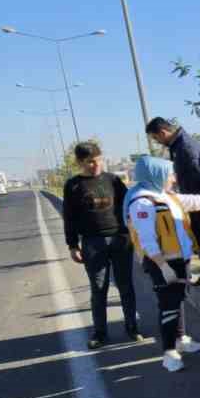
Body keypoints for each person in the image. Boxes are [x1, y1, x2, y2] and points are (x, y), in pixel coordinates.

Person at [123, 155, 200, 373]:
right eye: (169, 174)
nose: (173, 177)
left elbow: (196, 201)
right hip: (162, 263)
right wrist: (163, 267)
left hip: (179, 260)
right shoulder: (142, 202)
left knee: (178, 301)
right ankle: (169, 353)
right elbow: (147, 240)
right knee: (168, 307)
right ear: (155, 175)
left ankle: (181, 339)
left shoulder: (166, 196)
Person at [61, 141, 139, 349]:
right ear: (79, 162)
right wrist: (72, 245)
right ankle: (100, 333)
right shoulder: (73, 185)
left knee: (126, 286)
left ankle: (132, 327)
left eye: (98, 160)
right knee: (98, 288)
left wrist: (134, 234)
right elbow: (69, 218)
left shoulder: (113, 180)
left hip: (120, 239)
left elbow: (128, 207)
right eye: (89, 162)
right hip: (92, 243)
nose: (95, 165)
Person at [145, 116, 200, 274]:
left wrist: (189, 201)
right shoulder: (179, 146)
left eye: (156, 138)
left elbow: (199, 179)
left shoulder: (185, 147)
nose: (157, 142)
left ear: (162, 132)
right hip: (196, 201)